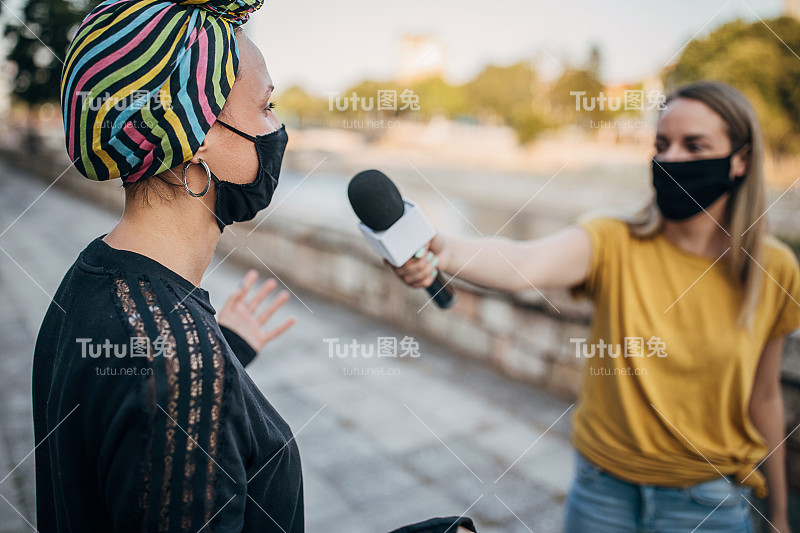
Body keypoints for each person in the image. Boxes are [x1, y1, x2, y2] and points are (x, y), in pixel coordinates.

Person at [389, 81, 799, 533]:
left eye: (695, 145)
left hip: (708, 502)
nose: (672, 159)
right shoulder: (614, 238)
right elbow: (526, 261)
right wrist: (442, 250)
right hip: (602, 491)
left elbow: (764, 395)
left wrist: (779, 514)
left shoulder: (775, 268)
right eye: (662, 144)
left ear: (741, 159)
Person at [34, 0, 301, 530]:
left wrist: (224, 357)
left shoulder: (88, 281)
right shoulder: (178, 366)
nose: (276, 129)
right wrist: (197, 366)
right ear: (196, 137)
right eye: (266, 106)